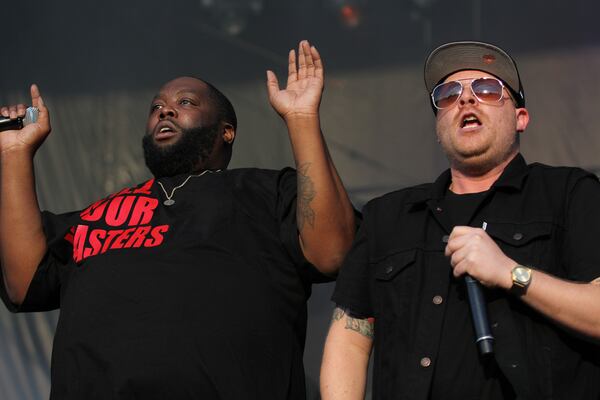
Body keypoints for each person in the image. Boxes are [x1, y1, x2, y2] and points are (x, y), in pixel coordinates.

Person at [0, 40, 356, 399]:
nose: (165, 111)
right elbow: (23, 281)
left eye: (184, 102)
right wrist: (15, 153)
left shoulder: (266, 192)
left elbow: (332, 252)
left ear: (226, 131)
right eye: (157, 107)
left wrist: (302, 119)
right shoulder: (99, 214)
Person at [321, 41, 600, 400]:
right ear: (439, 124)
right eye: (449, 94)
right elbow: (350, 337)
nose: (466, 99)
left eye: (486, 89)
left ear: (521, 118)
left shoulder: (569, 193)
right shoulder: (389, 215)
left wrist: (510, 273)